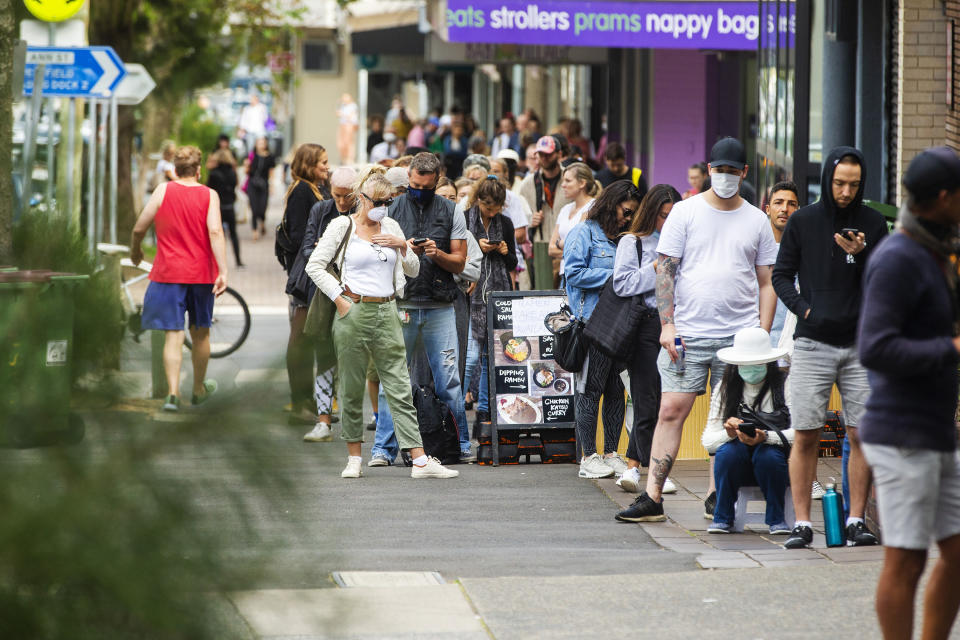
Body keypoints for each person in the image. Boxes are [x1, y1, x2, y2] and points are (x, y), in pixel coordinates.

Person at [615, 137, 778, 522]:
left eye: (732, 171)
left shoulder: (756, 219)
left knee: (730, 418)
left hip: (738, 339)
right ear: (709, 170)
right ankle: (652, 495)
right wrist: (667, 325)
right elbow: (666, 271)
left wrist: (762, 334)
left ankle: (715, 494)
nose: (724, 177)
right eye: (719, 170)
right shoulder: (685, 213)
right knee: (670, 410)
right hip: (687, 334)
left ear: (744, 173)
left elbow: (766, 281)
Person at [858, 147, 960, 640]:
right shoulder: (899, 257)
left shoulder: (935, 251)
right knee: (906, 560)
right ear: (942, 198)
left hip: (937, 430)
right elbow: (875, 348)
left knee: (956, 553)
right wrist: (951, 348)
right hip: (902, 434)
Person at [305, 168, 459, 479]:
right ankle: (353, 457)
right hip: (354, 309)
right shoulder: (342, 226)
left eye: (388, 201)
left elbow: (413, 271)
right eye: (378, 201)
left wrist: (402, 246)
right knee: (350, 385)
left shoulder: (390, 224)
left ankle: (419, 460)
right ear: (361, 199)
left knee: (400, 385)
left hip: (388, 309)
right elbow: (315, 265)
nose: (383, 207)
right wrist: (339, 298)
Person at [773, 146, 888, 550]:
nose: (845, 192)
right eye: (839, 183)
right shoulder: (804, 221)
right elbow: (781, 275)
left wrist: (866, 254)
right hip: (812, 342)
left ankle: (856, 519)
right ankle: (802, 523)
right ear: (827, 179)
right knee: (805, 433)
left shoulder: (873, 223)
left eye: (854, 185)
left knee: (862, 434)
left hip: (860, 345)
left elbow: (886, 280)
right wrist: (804, 311)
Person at [370, 152, 472, 466]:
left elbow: (460, 262)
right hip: (400, 303)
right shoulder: (391, 210)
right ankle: (383, 450)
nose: (420, 191)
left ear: (436, 180)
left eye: (427, 187)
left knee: (448, 381)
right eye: (415, 185)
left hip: (439, 303)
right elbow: (375, 256)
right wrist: (404, 249)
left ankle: (459, 445)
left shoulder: (451, 210)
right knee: (393, 380)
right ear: (409, 178)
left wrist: (435, 253)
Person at [129, 146, 227, 411]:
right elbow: (216, 232)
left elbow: (139, 227)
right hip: (200, 273)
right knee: (201, 333)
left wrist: (135, 250)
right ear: (198, 170)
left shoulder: (163, 190)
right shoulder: (209, 195)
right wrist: (223, 270)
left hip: (169, 272)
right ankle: (197, 389)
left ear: (174, 169)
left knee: (173, 334)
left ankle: (172, 395)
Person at [564, 181, 640, 478]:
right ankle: (588, 457)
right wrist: (617, 275)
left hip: (620, 326)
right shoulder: (584, 232)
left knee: (615, 390)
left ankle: (610, 452)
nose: (628, 218)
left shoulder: (626, 239)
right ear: (612, 204)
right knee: (588, 390)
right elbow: (574, 273)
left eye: (633, 213)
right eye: (626, 211)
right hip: (592, 324)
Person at [613, 185, 682, 495]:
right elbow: (623, 284)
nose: (666, 223)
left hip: (675, 325)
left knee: (665, 400)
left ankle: (637, 466)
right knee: (645, 398)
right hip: (643, 324)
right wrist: (656, 266)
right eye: (661, 216)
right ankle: (642, 469)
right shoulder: (633, 241)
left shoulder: (683, 242)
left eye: (672, 216)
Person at [694, 328, 794, 534]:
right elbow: (708, 442)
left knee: (769, 456)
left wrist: (765, 437)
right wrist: (729, 433)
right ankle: (722, 517)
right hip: (737, 460)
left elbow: (800, 434)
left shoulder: (785, 384)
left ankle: (777, 519)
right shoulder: (725, 387)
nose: (751, 368)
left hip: (774, 460)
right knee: (726, 454)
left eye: (756, 363)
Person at [281, 144, 330, 429]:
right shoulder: (302, 192)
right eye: (322, 162)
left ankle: (312, 401)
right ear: (309, 164)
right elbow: (301, 235)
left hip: (315, 274)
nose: (326, 166)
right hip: (306, 278)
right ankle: (300, 402)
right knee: (300, 339)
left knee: (310, 339)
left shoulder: (314, 188)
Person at [462, 177, 518, 424]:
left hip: (498, 292)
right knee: (471, 355)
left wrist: (505, 251)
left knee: (492, 354)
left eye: (496, 209)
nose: (492, 213)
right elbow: (456, 254)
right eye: (487, 208)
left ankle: (485, 409)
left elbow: (514, 264)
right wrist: (476, 247)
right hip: (470, 292)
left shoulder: (505, 223)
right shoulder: (464, 219)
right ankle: (457, 406)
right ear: (478, 201)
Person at [519, 135, 572, 282]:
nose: (544, 158)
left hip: (566, 246)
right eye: (541, 154)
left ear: (559, 154)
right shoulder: (527, 184)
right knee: (542, 292)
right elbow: (518, 219)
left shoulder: (571, 179)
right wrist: (531, 220)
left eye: (548, 154)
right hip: (539, 246)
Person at [765, 181, 800, 347]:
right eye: (778, 203)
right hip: (756, 345)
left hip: (791, 346)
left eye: (791, 204)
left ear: (798, 210)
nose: (784, 209)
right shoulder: (755, 250)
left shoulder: (804, 252)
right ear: (767, 209)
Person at [548, 163, 598, 279]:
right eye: (563, 181)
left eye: (568, 181)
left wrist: (560, 244)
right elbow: (551, 249)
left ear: (582, 183)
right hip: (564, 273)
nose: (563, 185)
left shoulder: (593, 207)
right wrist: (567, 247)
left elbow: (578, 243)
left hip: (582, 274)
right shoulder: (565, 209)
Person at [206, 148, 242, 268]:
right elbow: (235, 185)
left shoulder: (213, 174)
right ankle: (238, 260)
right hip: (229, 206)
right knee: (233, 234)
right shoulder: (232, 173)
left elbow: (208, 190)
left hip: (217, 208)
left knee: (216, 234)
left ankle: (215, 261)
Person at [244, 136, 275, 241]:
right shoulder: (251, 156)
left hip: (264, 185)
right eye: (259, 143)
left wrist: (271, 186)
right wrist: (246, 166)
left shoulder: (270, 157)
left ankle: (262, 222)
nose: (261, 144)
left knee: (262, 208)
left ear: (266, 144)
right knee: (254, 209)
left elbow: (271, 172)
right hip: (252, 185)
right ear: (256, 144)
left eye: (263, 143)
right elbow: (247, 172)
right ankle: (255, 231)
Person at [336, 93, 359, 165]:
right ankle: (343, 159)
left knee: (349, 143)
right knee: (341, 143)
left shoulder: (353, 106)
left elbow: (351, 116)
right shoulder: (342, 106)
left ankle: (350, 159)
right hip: (342, 125)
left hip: (349, 125)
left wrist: (342, 114)